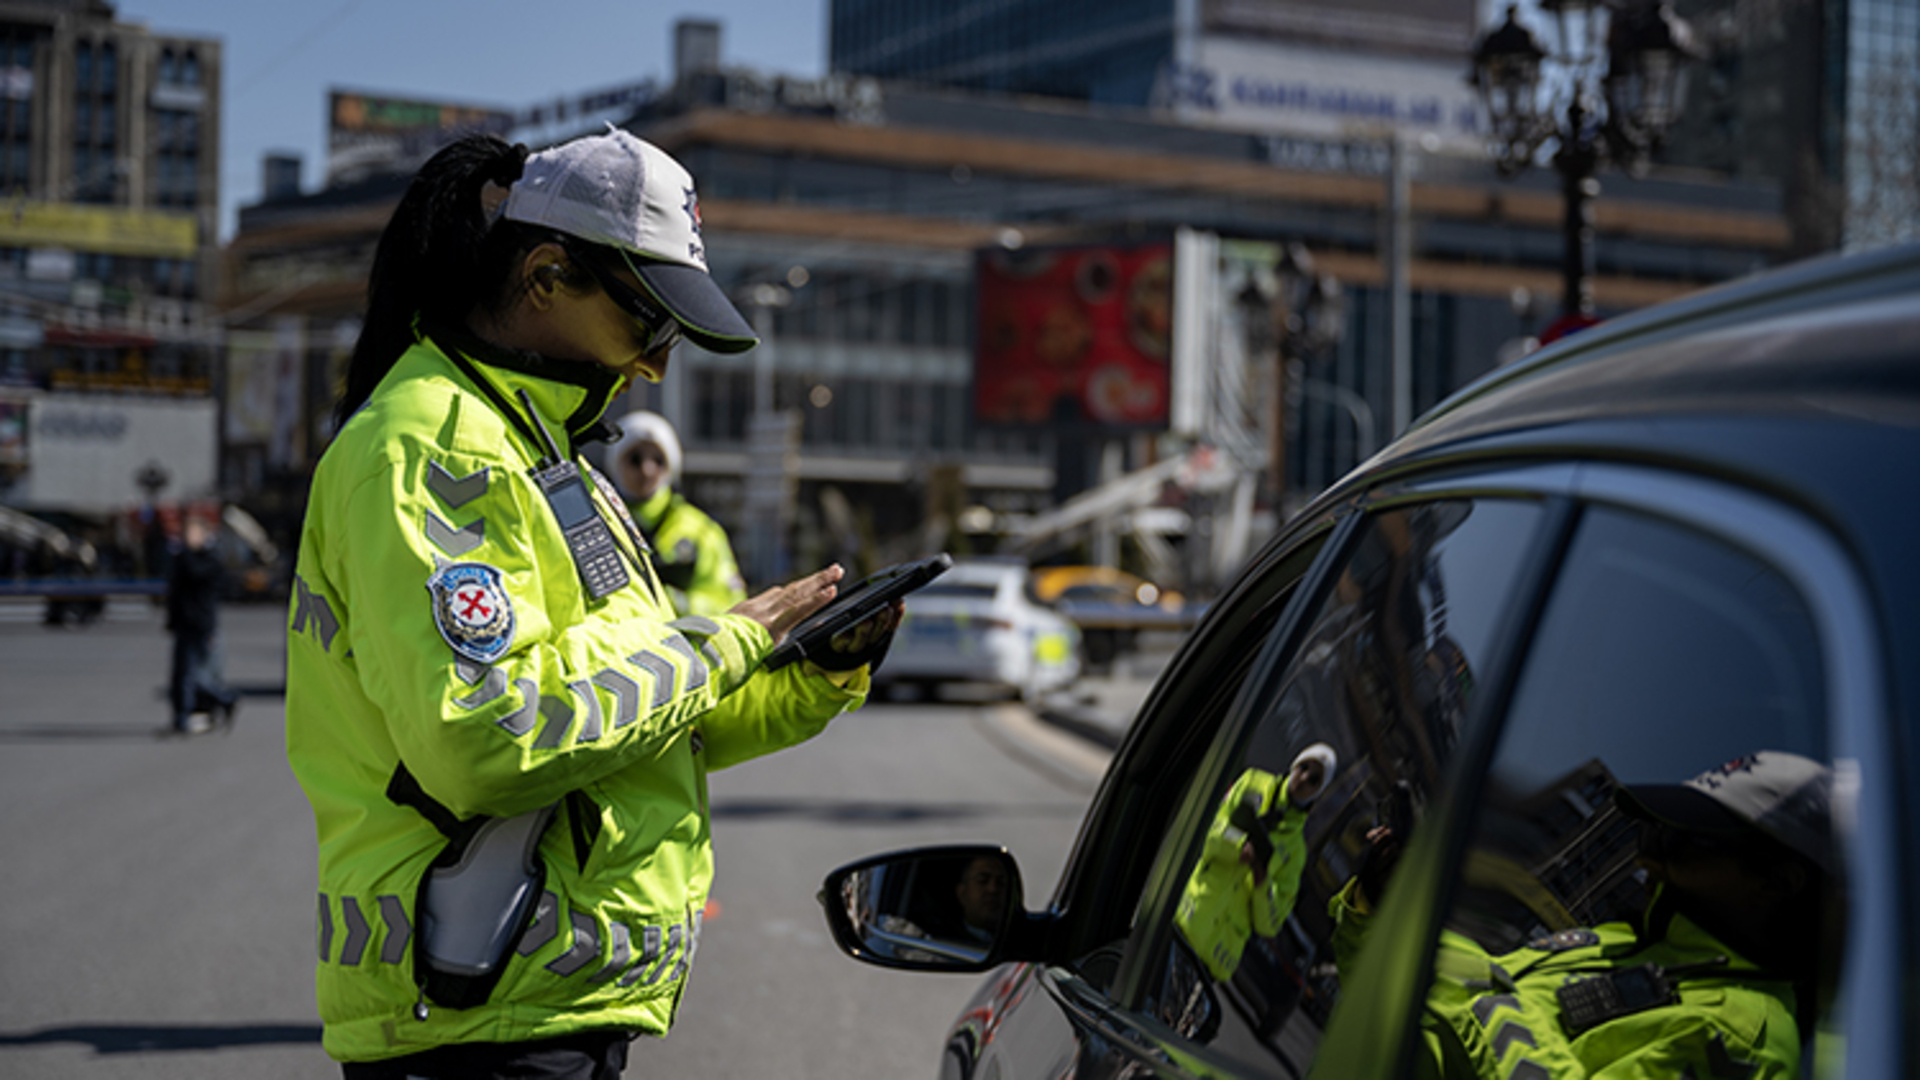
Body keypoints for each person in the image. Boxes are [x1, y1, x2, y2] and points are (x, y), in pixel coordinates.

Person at [284, 129, 901, 1078]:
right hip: (480, 1016)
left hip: (536, 1003)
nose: (655, 364)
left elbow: (649, 722)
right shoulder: (436, 450)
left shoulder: (544, 452)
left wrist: (817, 671)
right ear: (545, 275)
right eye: (648, 323)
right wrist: (723, 647)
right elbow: (493, 737)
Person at [1330, 751, 1835, 1080]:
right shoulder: (1623, 941)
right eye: (1651, 832)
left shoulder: (1750, 1039)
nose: (1646, 858)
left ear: (1779, 880)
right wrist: (1382, 910)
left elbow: (1478, 1007)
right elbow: (1458, 988)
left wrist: (1490, 1008)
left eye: (1680, 839)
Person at [1175, 743, 1337, 982]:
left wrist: (1261, 881)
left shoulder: (1296, 852)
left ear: (1317, 791)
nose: (1303, 779)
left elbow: (1270, 924)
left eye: (1314, 779)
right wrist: (1238, 847)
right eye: (1303, 767)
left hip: (1212, 961)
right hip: (1185, 923)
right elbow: (1207, 832)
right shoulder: (1252, 782)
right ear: (1294, 764)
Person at [605, 410, 746, 617]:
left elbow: (731, 607)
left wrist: (674, 603)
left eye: (659, 460)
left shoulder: (702, 531)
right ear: (616, 464)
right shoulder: (598, 523)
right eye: (635, 459)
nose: (647, 470)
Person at [166, 513, 237, 734]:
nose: (187, 537)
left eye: (191, 533)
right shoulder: (186, 558)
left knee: (192, 675)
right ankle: (183, 716)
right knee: (183, 674)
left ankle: (221, 700)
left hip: (201, 624)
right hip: (184, 623)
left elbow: (198, 576)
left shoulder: (208, 559)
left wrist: (185, 553)